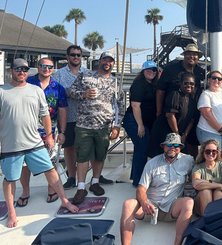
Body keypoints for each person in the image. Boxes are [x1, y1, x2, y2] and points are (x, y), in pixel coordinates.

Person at [0, 59, 78, 228]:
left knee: (51, 170)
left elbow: (45, 115)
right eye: (18, 69)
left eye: (24, 69)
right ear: (11, 71)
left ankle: (64, 200)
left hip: (35, 142)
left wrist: (50, 136)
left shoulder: (36, 90)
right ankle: (11, 211)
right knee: (10, 178)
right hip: (11, 145)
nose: (21, 72)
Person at [67, 51, 124, 204]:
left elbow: (120, 105)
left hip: (104, 126)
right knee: (83, 156)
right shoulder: (85, 76)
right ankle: (80, 187)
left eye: (110, 60)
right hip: (84, 124)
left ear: (113, 63)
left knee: (100, 155)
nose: (107, 62)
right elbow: (70, 91)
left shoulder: (115, 83)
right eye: (105, 59)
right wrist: (83, 94)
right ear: (99, 61)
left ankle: (95, 182)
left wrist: (117, 126)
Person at [120, 133, 194, 245]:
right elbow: (141, 189)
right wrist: (144, 203)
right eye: (169, 144)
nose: (173, 147)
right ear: (164, 146)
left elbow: (201, 171)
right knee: (127, 204)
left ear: (180, 148)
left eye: (176, 145)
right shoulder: (152, 163)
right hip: (150, 208)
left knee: (189, 202)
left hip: (171, 207)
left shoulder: (188, 160)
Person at [17, 57, 68, 206]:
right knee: (24, 163)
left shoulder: (58, 88)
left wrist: (62, 131)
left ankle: (51, 189)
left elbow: (62, 111)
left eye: (50, 67)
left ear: (53, 69)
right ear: (38, 67)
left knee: (49, 162)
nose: (46, 69)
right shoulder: (27, 83)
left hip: (48, 131)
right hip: (26, 129)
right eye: (43, 66)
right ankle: (25, 191)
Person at [156, 44, 206, 157]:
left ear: (198, 56)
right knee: (171, 144)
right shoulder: (170, 69)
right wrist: (158, 112)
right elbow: (160, 90)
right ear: (184, 55)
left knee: (192, 142)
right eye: (188, 53)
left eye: (195, 54)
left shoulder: (200, 71)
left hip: (192, 114)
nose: (191, 56)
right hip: (173, 114)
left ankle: (192, 168)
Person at [53, 45, 90, 189]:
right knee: (69, 148)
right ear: (67, 56)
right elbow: (58, 92)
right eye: (73, 55)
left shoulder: (88, 73)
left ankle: (94, 177)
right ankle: (71, 177)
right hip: (67, 117)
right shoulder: (59, 74)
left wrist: (72, 92)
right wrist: (78, 93)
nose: (76, 57)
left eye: (78, 55)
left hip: (86, 117)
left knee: (87, 147)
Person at [122, 61, 159, 187]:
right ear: (143, 71)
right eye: (148, 70)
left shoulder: (153, 85)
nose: (151, 72)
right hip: (134, 120)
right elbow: (135, 106)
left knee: (139, 148)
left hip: (144, 121)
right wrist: (140, 125)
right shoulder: (139, 84)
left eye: (154, 70)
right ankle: (139, 182)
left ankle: (136, 177)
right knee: (143, 148)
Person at [147, 72, 197, 158]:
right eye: (186, 83)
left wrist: (184, 135)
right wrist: (177, 135)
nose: (189, 85)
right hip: (164, 132)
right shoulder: (175, 95)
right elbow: (170, 116)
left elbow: (191, 120)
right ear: (181, 84)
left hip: (179, 134)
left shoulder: (192, 100)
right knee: (162, 160)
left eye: (192, 83)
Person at [197, 70, 222, 168]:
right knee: (213, 160)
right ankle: (211, 182)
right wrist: (220, 129)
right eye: (214, 78)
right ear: (209, 79)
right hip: (209, 131)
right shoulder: (205, 94)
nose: (216, 80)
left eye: (219, 79)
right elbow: (207, 115)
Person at [192, 139, 222, 216]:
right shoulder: (198, 167)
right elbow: (196, 184)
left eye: (214, 151)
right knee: (206, 191)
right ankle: (206, 220)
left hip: (218, 197)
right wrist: (220, 185)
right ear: (203, 153)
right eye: (207, 151)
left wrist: (205, 182)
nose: (211, 153)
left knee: (219, 193)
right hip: (200, 202)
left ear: (217, 153)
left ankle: (216, 220)